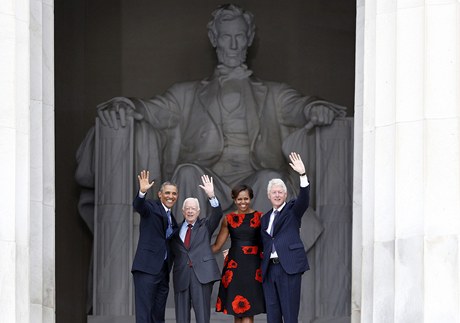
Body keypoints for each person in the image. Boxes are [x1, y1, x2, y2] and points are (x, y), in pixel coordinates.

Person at [89, 3, 346, 217]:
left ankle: (271, 266)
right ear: (215, 39)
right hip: (207, 177)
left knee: (271, 179)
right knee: (187, 172)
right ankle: (189, 262)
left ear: (249, 38)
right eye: (226, 36)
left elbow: (300, 106)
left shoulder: (274, 94)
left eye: (240, 36)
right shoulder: (186, 94)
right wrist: (128, 105)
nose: (233, 44)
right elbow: (152, 110)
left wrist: (316, 108)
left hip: (255, 178)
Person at [260, 152, 310, 323]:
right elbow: (262, 242)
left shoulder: (292, 211)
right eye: (274, 192)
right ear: (269, 196)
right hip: (269, 270)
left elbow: (304, 199)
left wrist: (302, 175)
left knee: (289, 316)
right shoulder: (265, 218)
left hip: (288, 267)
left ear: (285, 195)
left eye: (280, 192)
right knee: (272, 317)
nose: (277, 195)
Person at [169, 175, 224, 323]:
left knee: (202, 317)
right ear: (182, 211)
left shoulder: (206, 226)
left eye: (193, 208)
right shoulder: (175, 230)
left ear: (199, 211)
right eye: (187, 208)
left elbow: (217, 214)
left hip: (202, 275)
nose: (190, 211)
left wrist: (211, 195)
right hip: (182, 275)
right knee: (181, 317)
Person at [211, 184, 265, 323]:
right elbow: (217, 246)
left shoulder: (260, 217)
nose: (243, 202)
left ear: (250, 198)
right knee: (237, 310)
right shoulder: (228, 219)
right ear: (234, 200)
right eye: (239, 199)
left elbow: (267, 242)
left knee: (248, 311)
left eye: (246, 199)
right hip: (234, 266)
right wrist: (196, 252)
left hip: (253, 267)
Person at [131, 170, 179, 323]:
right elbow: (139, 206)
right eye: (167, 193)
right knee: (144, 315)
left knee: (158, 316)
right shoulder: (151, 208)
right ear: (160, 194)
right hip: (146, 268)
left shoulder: (173, 219)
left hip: (163, 272)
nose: (170, 196)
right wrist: (142, 192)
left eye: (174, 194)